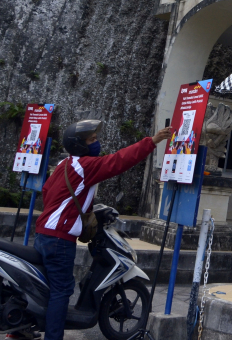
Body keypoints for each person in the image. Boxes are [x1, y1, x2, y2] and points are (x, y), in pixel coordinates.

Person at [29, 119, 172, 340]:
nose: (97, 143)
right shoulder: (86, 166)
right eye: (92, 140)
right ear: (80, 144)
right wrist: (152, 141)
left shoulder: (63, 164)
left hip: (43, 233)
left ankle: (23, 330)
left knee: (45, 289)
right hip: (60, 239)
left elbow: (48, 193)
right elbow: (119, 161)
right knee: (61, 292)